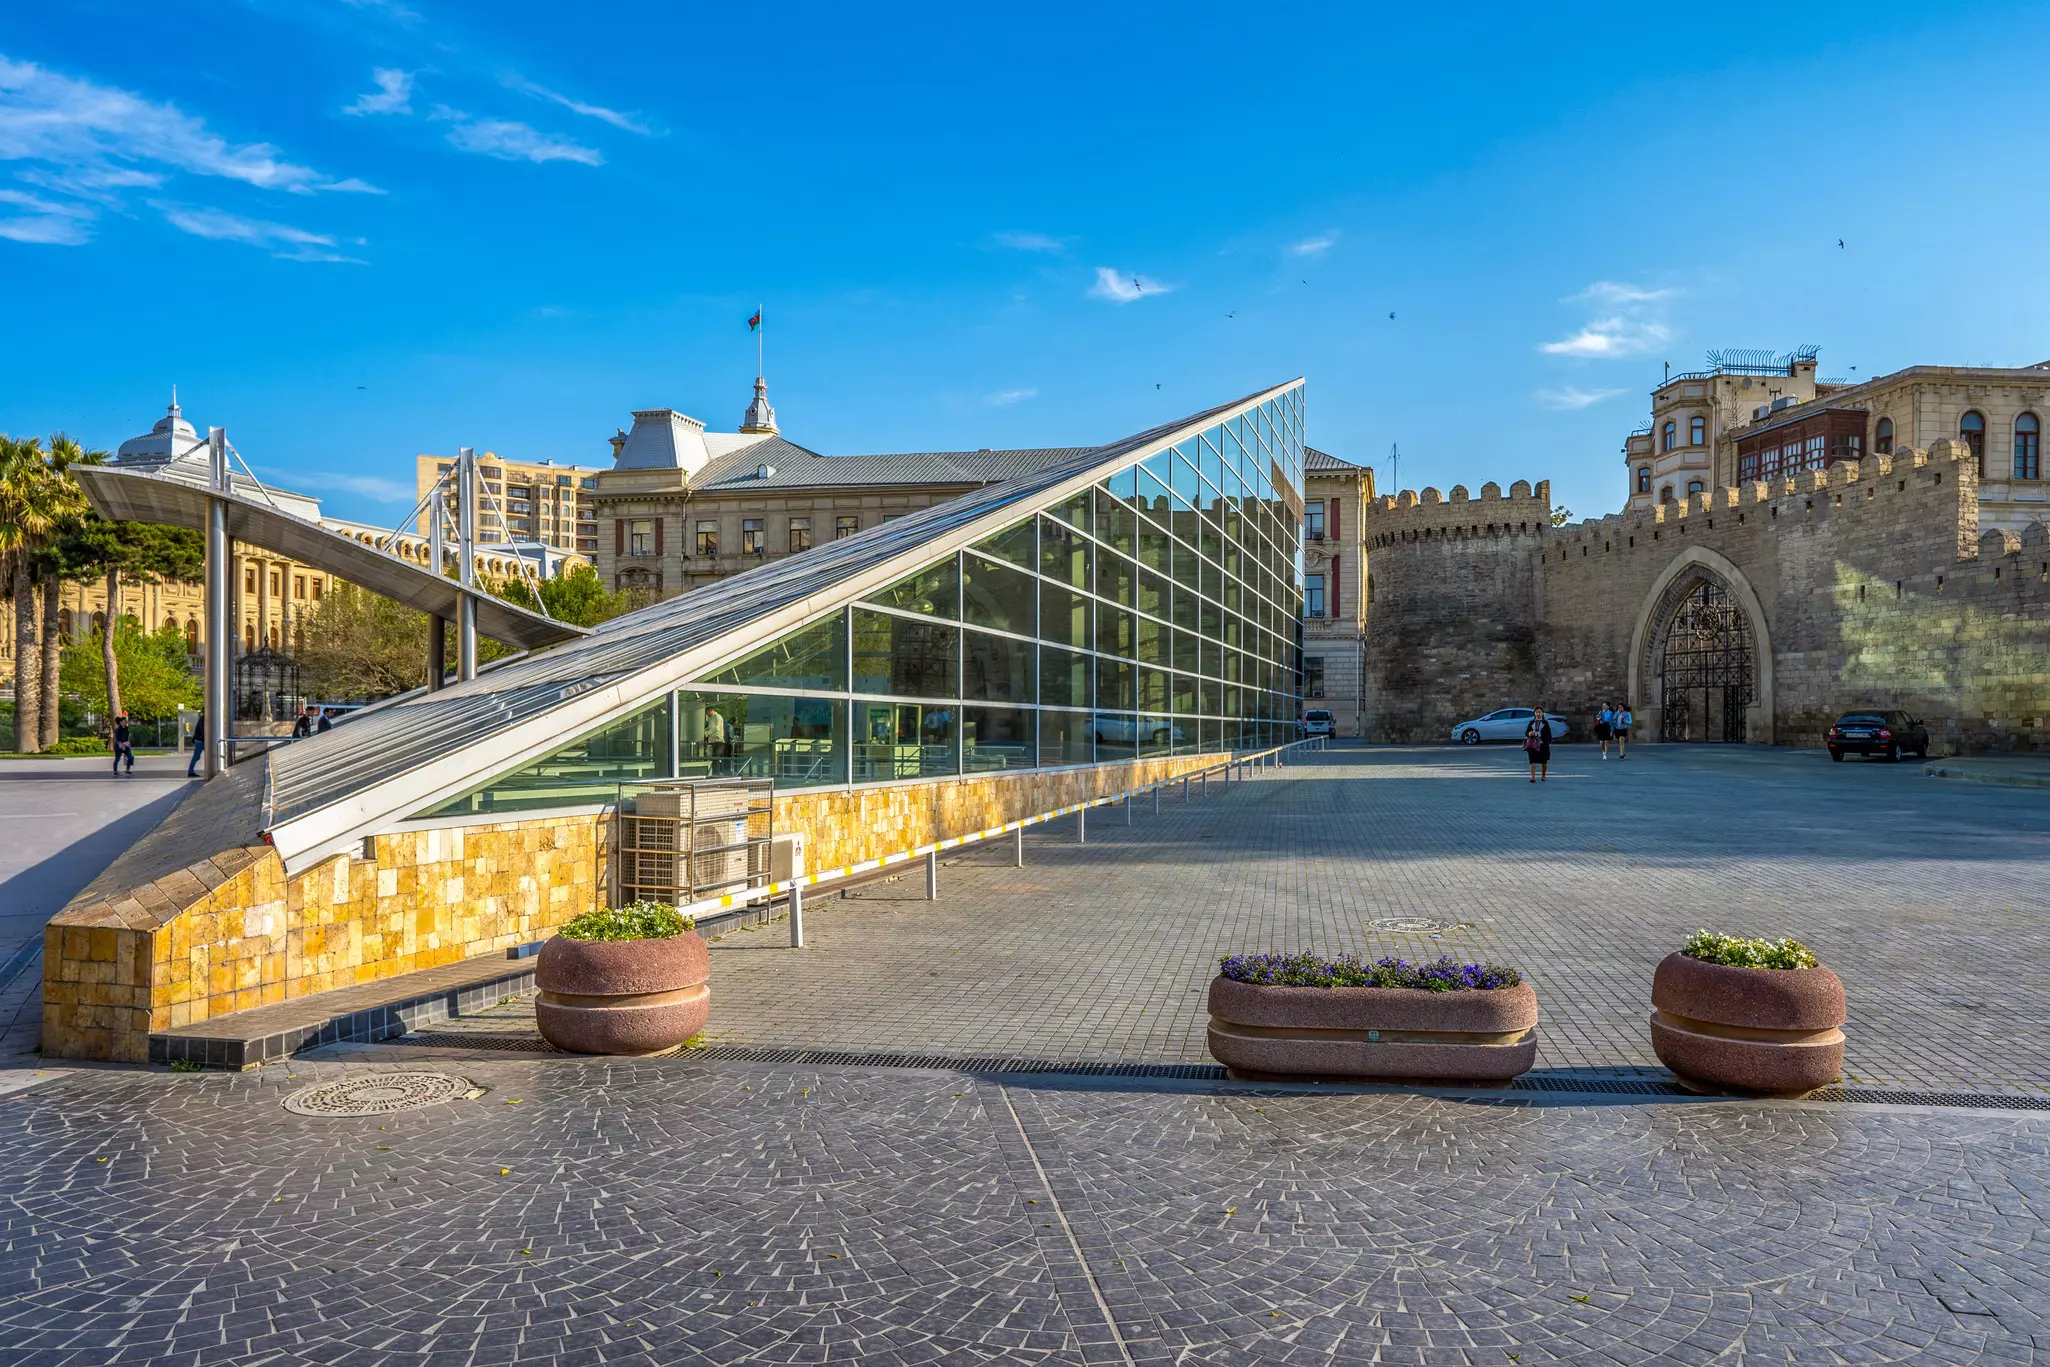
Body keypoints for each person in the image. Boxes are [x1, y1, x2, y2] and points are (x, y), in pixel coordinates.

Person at [1524, 708, 1553, 783]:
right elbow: (1526, 732)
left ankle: (1543, 775)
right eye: (1536, 712)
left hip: (1543, 745)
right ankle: (1532, 777)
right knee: (1532, 761)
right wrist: (1530, 733)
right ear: (1534, 714)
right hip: (1532, 744)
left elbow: (1549, 734)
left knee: (1544, 761)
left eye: (1540, 712)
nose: (1538, 714)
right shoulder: (1531, 722)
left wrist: (1539, 734)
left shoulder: (1545, 723)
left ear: (1542, 713)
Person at [187, 710, 205, 778]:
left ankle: (190, 771)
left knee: (196, 756)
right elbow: (203, 730)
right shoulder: (203, 719)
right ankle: (190, 771)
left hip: (201, 740)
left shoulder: (203, 718)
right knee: (196, 757)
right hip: (200, 740)